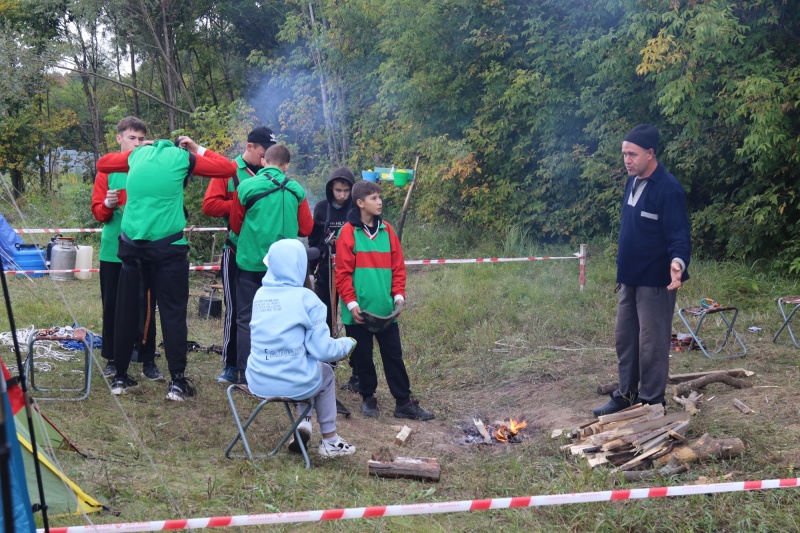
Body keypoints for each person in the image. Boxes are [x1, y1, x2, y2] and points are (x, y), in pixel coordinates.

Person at [96, 137, 237, 400]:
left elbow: (102, 164)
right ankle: (177, 382)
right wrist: (196, 149)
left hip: (131, 247)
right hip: (168, 248)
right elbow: (228, 168)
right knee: (172, 313)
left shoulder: (135, 157)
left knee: (126, 311)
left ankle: (120, 377)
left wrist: (138, 150)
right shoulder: (181, 158)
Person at [593, 124, 691, 417]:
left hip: (655, 282)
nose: (627, 159)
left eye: (632, 154)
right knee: (626, 339)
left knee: (652, 344)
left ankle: (651, 402)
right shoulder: (632, 181)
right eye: (624, 154)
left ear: (650, 153)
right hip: (630, 278)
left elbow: (680, 234)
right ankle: (626, 394)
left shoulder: (669, 188)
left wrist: (677, 263)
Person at [246, 239, 357, 457]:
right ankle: (330, 440)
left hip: (258, 379)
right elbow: (323, 350)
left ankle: (303, 423)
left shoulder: (260, 295)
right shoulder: (307, 299)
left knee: (303, 361)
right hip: (293, 380)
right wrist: (347, 344)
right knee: (323, 372)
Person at [335, 180, 435, 421]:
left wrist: (398, 296)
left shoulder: (387, 230)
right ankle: (368, 397)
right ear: (360, 203)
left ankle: (403, 402)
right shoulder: (348, 232)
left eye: (380, 197)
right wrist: (351, 303)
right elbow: (342, 274)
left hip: (385, 312)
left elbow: (398, 267)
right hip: (358, 312)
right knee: (363, 357)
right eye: (373, 198)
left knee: (393, 355)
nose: (379, 202)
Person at [229, 144, 314, 390]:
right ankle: (281, 373)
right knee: (284, 319)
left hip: (250, 263)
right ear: (287, 165)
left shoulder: (246, 186)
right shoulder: (295, 189)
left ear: (265, 160)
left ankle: (246, 375)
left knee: (246, 318)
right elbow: (306, 229)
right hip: (283, 270)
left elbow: (236, 224)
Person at [198, 127, 277, 385]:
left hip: (268, 256)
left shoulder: (274, 174)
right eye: (263, 154)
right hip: (236, 250)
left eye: (270, 156)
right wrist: (244, 203)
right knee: (235, 311)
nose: (266, 161)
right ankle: (232, 364)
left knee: (269, 310)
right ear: (250, 147)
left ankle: (265, 361)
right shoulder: (229, 172)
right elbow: (209, 205)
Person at [90, 117, 163, 382]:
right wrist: (108, 204)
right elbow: (98, 213)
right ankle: (111, 357)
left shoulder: (152, 167)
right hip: (113, 249)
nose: (137, 143)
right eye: (132, 138)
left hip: (146, 247)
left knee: (145, 306)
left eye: (141, 139)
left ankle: (146, 358)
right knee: (113, 305)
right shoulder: (107, 169)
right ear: (119, 138)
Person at [307, 167, 358, 413]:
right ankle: (326, 364)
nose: (342, 195)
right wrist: (311, 268)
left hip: (351, 270)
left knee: (352, 318)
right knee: (324, 316)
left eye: (346, 190)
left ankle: (357, 370)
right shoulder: (321, 208)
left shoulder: (356, 209)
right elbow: (314, 239)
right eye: (338, 190)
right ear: (330, 190)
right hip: (327, 268)